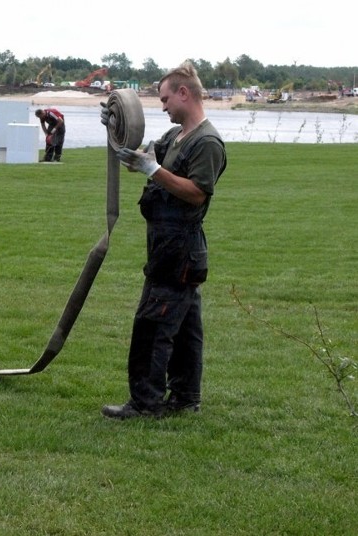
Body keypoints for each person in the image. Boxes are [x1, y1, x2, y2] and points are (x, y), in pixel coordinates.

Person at [100, 61, 228, 419]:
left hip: (180, 251)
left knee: (152, 325)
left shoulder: (207, 142)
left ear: (184, 93)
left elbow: (198, 193)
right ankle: (186, 398)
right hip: (168, 247)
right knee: (186, 329)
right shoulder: (175, 137)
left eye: (165, 98)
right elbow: (139, 157)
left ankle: (144, 403)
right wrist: (115, 125)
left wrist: (153, 171)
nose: (163, 106)